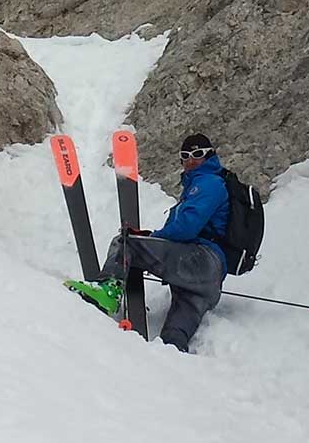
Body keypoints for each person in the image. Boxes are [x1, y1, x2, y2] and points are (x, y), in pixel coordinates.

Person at [66, 132, 230, 352]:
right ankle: (170, 361)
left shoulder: (208, 183)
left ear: (209, 156)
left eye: (197, 154)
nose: (190, 160)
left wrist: (150, 239)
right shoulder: (208, 185)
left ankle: (109, 290)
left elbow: (186, 228)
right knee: (173, 339)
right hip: (208, 281)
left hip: (200, 259)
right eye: (185, 155)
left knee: (127, 242)